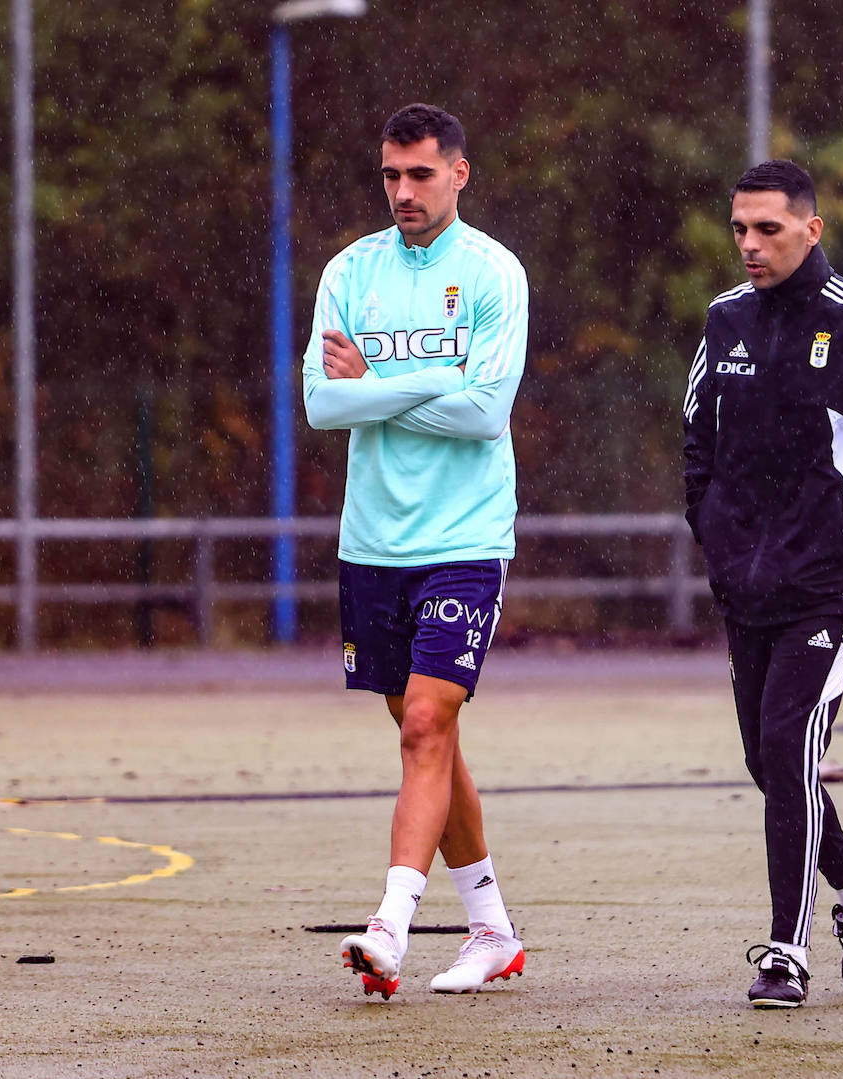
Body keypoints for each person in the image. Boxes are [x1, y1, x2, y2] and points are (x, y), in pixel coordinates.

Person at [682, 159, 843, 1008]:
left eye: (767, 229)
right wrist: (719, 540)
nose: (750, 246)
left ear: (811, 228)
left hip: (826, 593)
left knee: (791, 751)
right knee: (768, 760)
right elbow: (696, 445)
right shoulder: (724, 322)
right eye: (740, 230)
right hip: (744, 590)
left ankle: (785, 951)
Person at [301, 103, 528, 999]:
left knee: (429, 724)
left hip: (467, 537)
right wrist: (434, 379)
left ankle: (390, 925)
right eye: (391, 175)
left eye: (420, 174)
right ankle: (492, 928)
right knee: (427, 735)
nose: (402, 191)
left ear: (460, 173)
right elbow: (322, 405)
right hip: (373, 542)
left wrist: (381, 384)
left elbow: (485, 415)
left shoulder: (491, 274)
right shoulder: (350, 270)